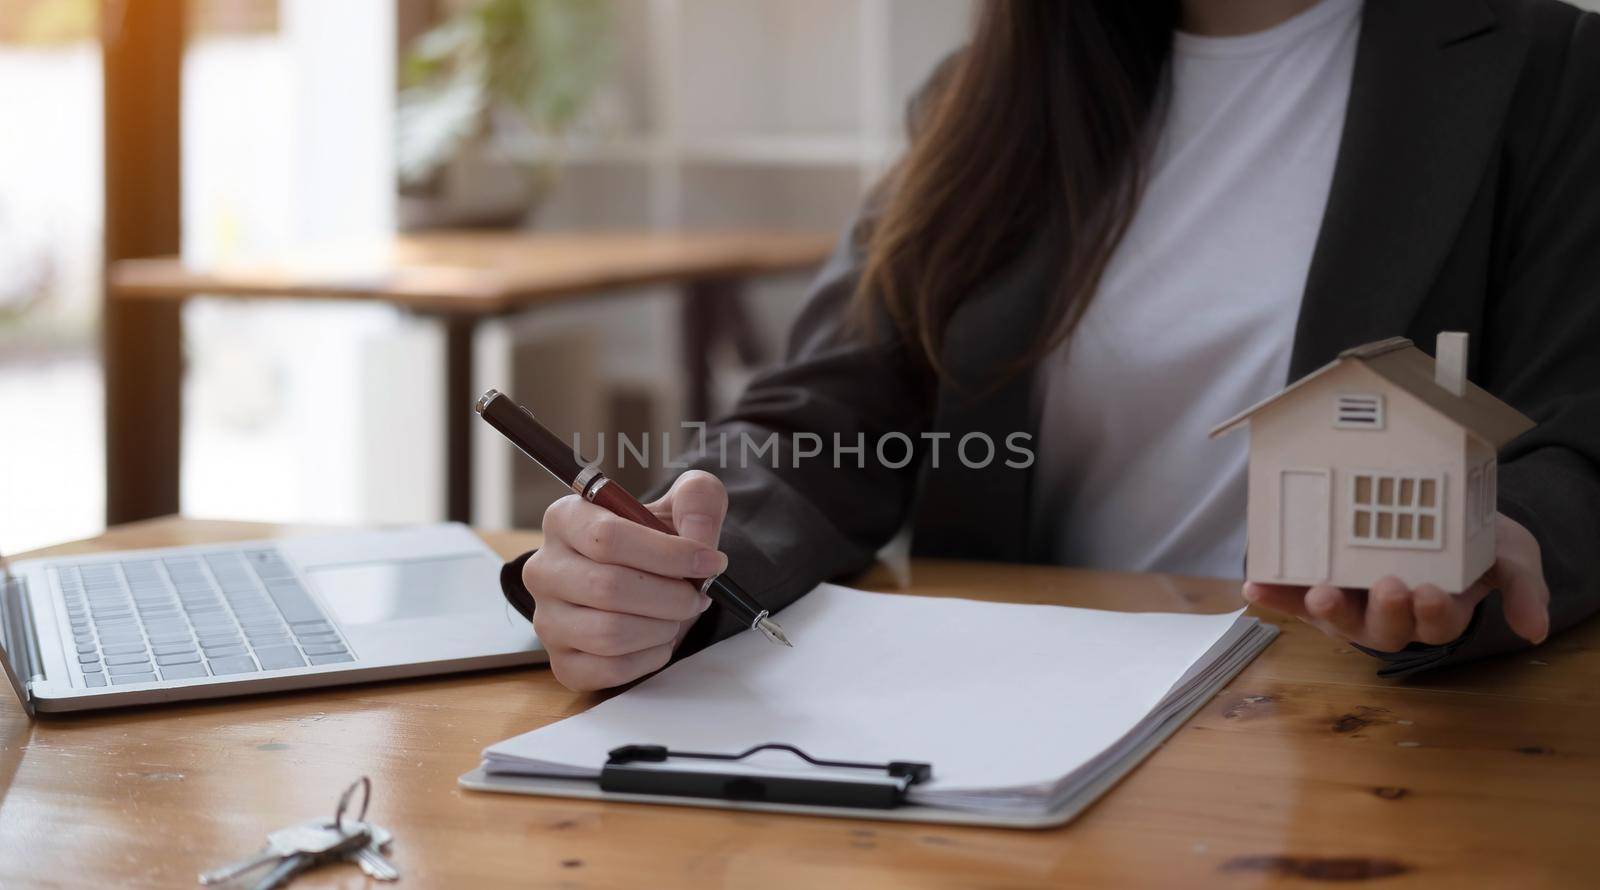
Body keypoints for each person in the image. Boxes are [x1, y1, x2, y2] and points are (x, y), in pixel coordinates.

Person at [507, 0, 1600, 692]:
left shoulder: (1547, 69)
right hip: (1025, 723)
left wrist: (1504, 535)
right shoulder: (984, 90)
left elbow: (1578, 436)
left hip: (1364, 723)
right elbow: (825, 418)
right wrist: (671, 559)